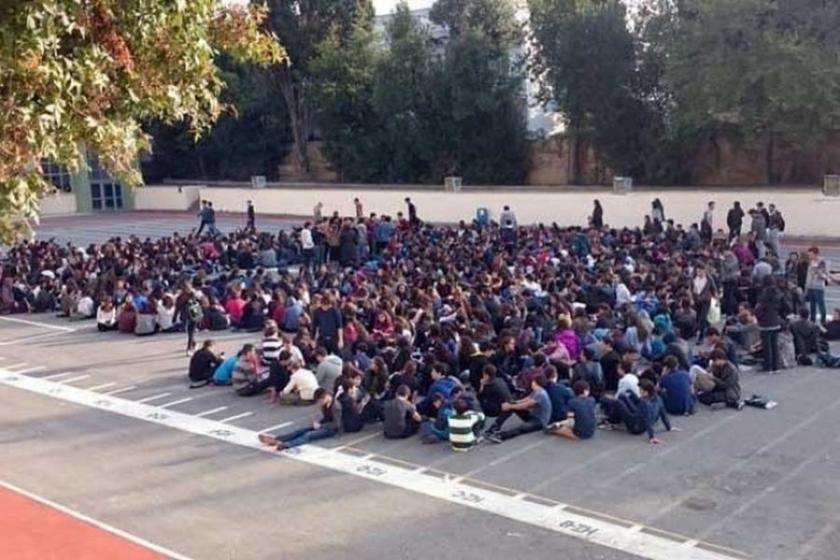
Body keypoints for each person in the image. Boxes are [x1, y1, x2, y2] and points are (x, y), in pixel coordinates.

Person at [258, 389, 342, 450]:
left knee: (308, 435)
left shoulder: (335, 407)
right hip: (325, 425)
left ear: (326, 397)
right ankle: (277, 439)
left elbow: (336, 424)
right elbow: (327, 418)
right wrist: (318, 422)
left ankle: (286, 444)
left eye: (321, 400)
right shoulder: (325, 404)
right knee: (300, 431)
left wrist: (321, 425)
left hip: (332, 430)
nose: (320, 403)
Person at [486, 374, 552, 443]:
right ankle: (495, 427)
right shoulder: (537, 391)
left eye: (533, 382)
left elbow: (526, 405)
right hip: (533, 416)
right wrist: (513, 402)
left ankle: (501, 436)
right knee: (512, 406)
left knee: (521, 428)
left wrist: (509, 406)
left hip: (539, 421)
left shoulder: (541, 394)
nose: (531, 383)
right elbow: (527, 399)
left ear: (535, 383)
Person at [756, 275, 783, 373]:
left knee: (767, 346)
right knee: (774, 345)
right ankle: (776, 366)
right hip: (775, 320)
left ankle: (768, 366)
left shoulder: (764, 294)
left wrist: (759, 316)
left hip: (765, 322)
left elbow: (760, 308)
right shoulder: (778, 293)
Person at [805, 247, 830, 324]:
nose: (810, 256)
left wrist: (818, 272)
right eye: (809, 255)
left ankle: (823, 320)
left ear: (816, 254)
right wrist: (807, 285)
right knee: (812, 305)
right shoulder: (811, 262)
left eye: (811, 255)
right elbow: (808, 274)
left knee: (820, 304)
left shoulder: (822, 262)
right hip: (811, 286)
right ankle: (812, 320)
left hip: (818, 287)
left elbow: (825, 274)